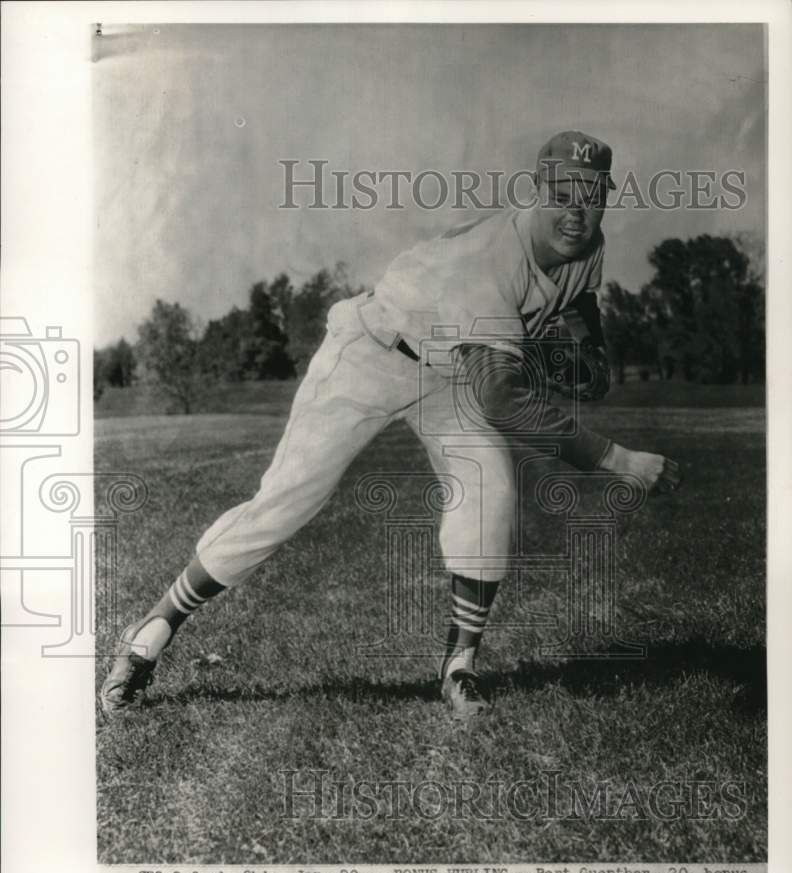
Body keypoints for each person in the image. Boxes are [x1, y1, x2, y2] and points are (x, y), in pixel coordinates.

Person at [101, 130, 680, 722]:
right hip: (371, 353)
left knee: (491, 488)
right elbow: (502, 398)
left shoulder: (588, 244)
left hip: (448, 369)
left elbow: (579, 300)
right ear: (534, 192)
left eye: (591, 193)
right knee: (284, 504)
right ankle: (152, 629)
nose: (577, 209)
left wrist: (590, 350)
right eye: (562, 192)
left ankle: (460, 666)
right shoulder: (489, 260)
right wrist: (616, 459)